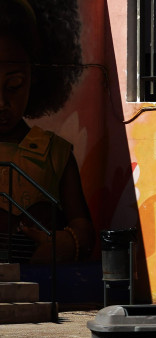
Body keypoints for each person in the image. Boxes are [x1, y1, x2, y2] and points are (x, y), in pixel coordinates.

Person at [0, 0, 95, 264]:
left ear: (36, 77)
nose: (1, 102)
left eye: (14, 85)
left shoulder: (56, 153)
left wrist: (64, 243)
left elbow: (84, 230)